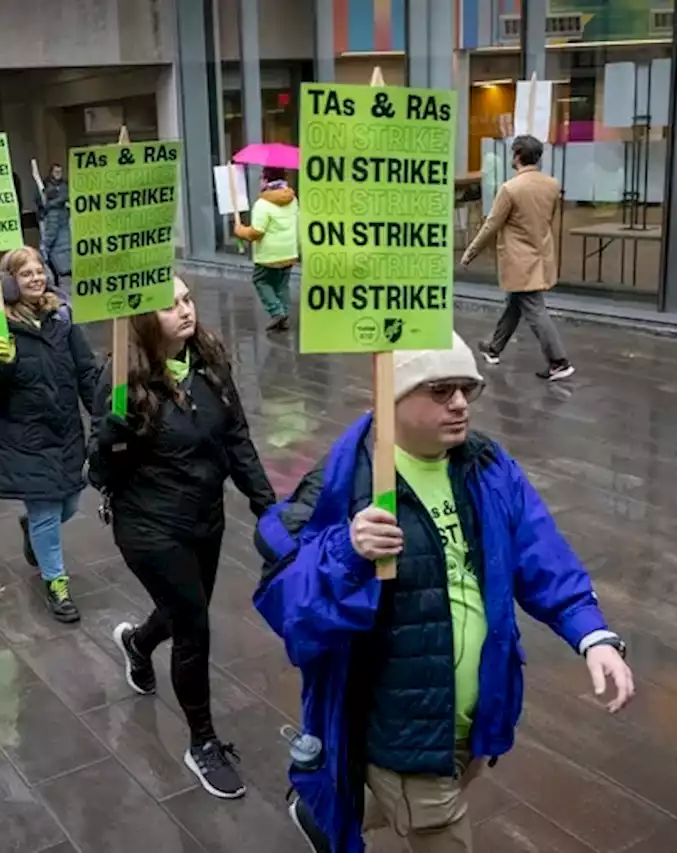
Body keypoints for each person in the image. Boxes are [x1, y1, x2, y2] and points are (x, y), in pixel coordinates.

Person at [253, 335, 635, 853]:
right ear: (391, 397)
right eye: (439, 390)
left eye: (466, 389)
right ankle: (334, 802)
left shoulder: (484, 465)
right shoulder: (345, 483)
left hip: (477, 710)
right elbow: (287, 604)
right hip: (401, 723)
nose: (459, 403)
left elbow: (538, 549)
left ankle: (324, 808)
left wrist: (591, 632)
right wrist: (347, 550)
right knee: (439, 822)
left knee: (431, 787)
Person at [91, 276, 276, 800]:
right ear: (145, 320)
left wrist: (268, 507)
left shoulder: (209, 362)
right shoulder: (122, 377)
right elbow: (97, 471)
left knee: (179, 613)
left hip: (204, 519)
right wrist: (111, 439)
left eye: (187, 300)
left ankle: (136, 642)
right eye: (170, 306)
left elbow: (237, 438)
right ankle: (203, 743)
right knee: (194, 626)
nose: (185, 311)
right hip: (150, 527)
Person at [0, 247, 98, 621]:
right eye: (25, 274)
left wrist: (103, 416)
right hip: (24, 439)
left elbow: (86, 370)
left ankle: (34, 530)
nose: (36, 278)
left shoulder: (62, 316)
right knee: (47, 510)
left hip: (66, 433)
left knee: (70, 504)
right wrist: (1, 365)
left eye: (39, 271)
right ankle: (56, 583)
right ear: (9, 281)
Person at [460, 135, 574, 382]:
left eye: (513, 153)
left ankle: (559, 361)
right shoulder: (552, 185)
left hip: (519, 259)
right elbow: (548, 218)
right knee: (516, 303)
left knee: (534, 309)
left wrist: (469, 253)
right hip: (540, 254)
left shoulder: (510, 189)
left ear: (518, 155)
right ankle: (494, 347)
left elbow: (491, 225)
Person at [235, 166, 300, 332]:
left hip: (269, 255)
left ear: (266, 180)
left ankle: (276, 311)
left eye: (261, 178)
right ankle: (284, 315)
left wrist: (240, 230)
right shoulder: (292, 199)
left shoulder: (262, 204)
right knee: (281, 285)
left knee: (261, 280)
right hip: (289, 252)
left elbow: (256, 232)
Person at [38, 163, 71, 296]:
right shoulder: (65, 209)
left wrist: (43, 250)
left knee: (63, 290)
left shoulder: (53, 213)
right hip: (67, 249)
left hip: (58, 254)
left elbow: (50, 235)